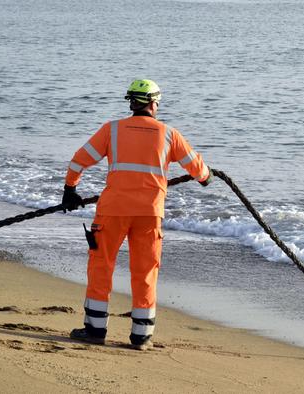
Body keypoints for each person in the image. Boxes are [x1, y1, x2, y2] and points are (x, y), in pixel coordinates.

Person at [61, 79, 212, 350]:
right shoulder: (169, 134)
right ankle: (141, 336)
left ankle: (95, 330)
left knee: (101, 266)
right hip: (149, 214)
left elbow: (78, 160)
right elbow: (198, 170)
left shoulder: (112, 130)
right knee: (145, 272)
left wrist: (70, 188)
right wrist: (206, 177)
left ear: (131, 102)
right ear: (155, 103)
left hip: (113, 211)